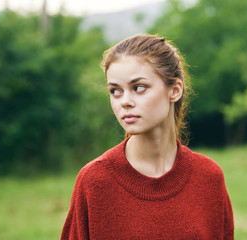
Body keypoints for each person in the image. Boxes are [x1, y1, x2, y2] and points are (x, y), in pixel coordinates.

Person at [61, 34, 234, 240]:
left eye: (139, 87)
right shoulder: (94, 182)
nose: (125, 101)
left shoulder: (209, 178)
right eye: (115, 91)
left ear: (175, 90)